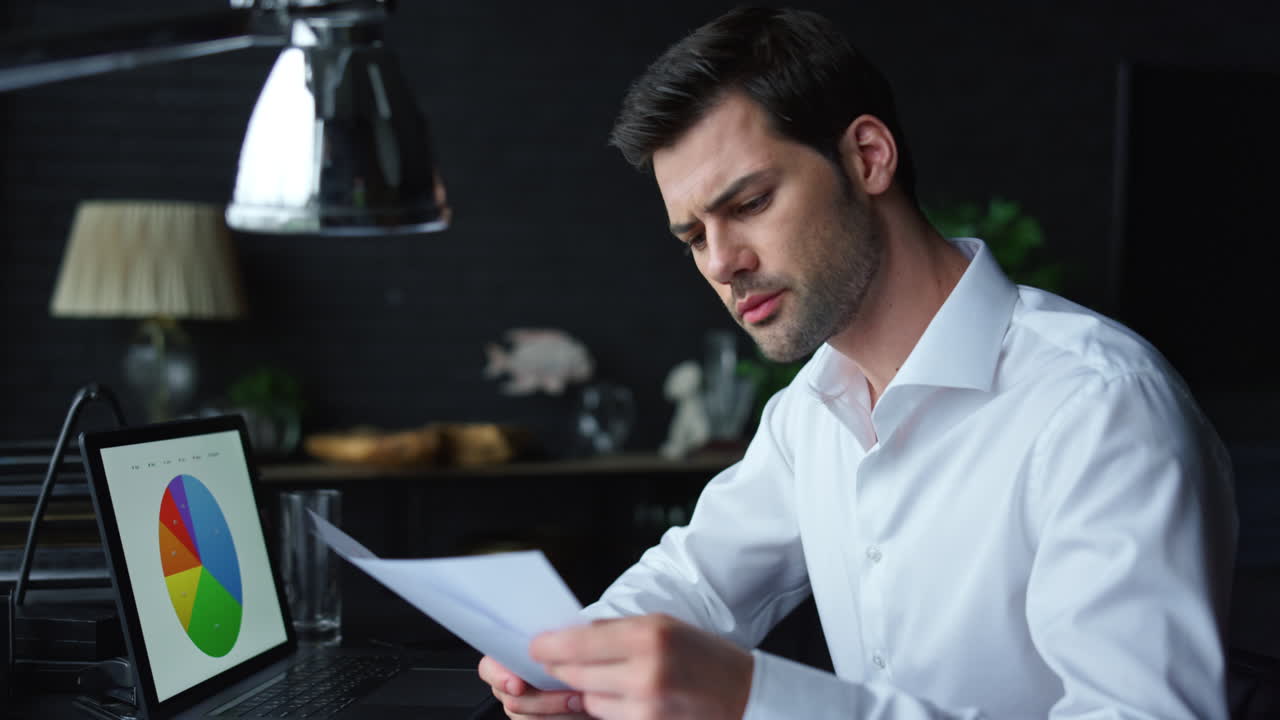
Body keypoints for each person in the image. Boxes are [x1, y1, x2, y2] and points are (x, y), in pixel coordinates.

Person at [478, 6, 1237, 719]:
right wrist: (557, 657)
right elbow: (696, 582)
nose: (722, 263)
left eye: (748, 204)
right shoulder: (812, 410)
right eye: (693, 238)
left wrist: (758, 700)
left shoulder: (1098, 406)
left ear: (867, 157)